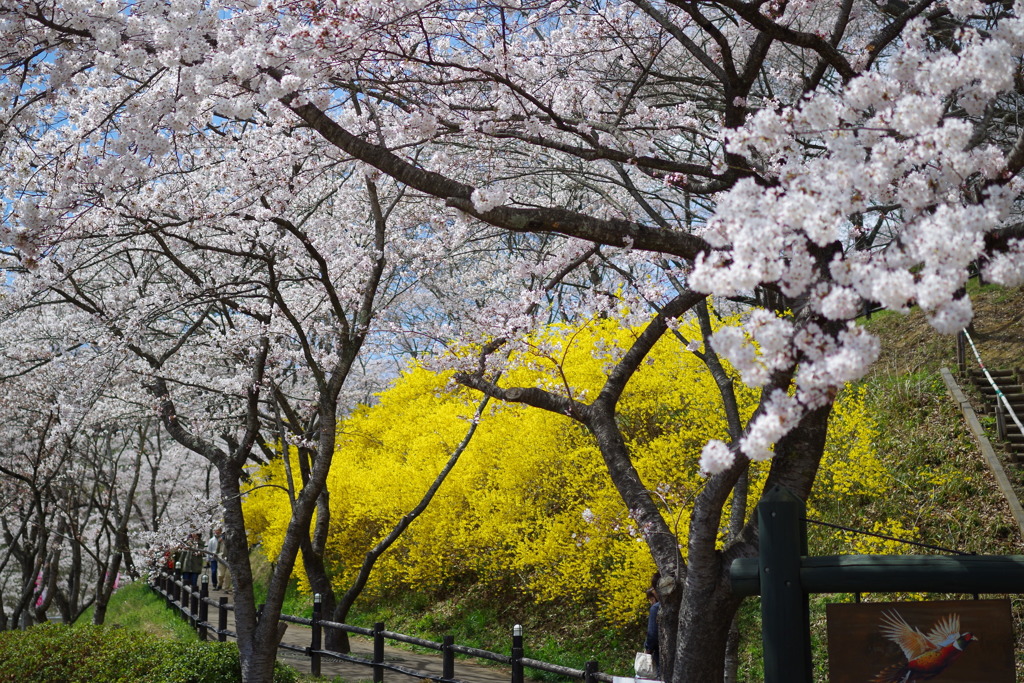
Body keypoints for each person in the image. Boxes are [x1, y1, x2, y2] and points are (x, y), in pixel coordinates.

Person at [644, 587, 660, 676]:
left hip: (660, 653)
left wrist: (648, 648)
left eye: (650, 600)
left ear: (653, 598)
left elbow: (652, 634)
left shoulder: (655, 608)